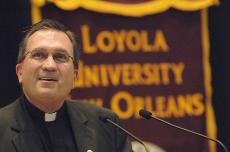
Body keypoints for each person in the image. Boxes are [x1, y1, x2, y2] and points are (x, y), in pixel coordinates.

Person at [0, 19, 131, 152]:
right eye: (39, 55)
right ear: (20, 72)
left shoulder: (106, 125)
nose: (50, 66)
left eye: (60, 57)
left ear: (74, 77)